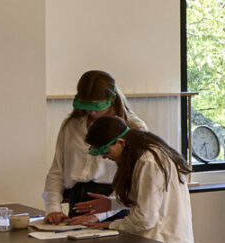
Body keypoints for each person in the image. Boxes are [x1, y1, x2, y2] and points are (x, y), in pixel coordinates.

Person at [80, 115, 194, 243]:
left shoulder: (149, 162)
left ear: (121, 143)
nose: (105, 157)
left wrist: (110, 225)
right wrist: (111, 204)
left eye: (106, 151)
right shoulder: (145, 155)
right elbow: (147, 198)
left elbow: (145, 219)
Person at [42, 70, 147, 216]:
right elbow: (57, 170)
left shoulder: (133, 127)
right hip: (78, 201)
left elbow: (135, 179)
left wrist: (102, 214)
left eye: (96, 107)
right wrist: (53, 209)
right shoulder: (71, 125)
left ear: (112, 99)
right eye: (85, 106)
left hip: (115, 204)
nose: (91, 112)